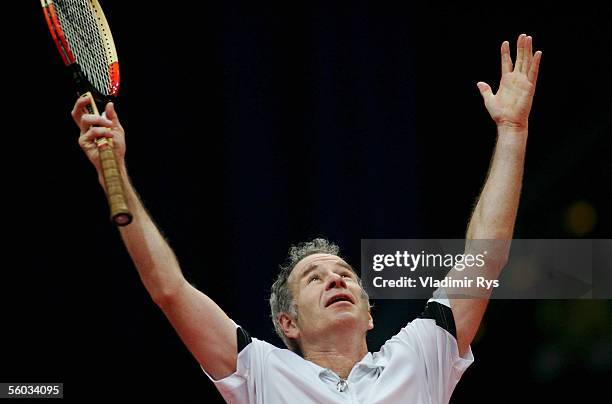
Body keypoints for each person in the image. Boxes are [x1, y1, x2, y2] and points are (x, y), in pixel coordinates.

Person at [71, 33, 541, 403]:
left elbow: (485, 259)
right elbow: (169, 290)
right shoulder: (259, 374)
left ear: (370, 312)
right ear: (287, 324)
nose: (336, 279)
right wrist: (116, 174)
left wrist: (513, 132)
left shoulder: (422, 356)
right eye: (314, 278)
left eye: (344, 274)